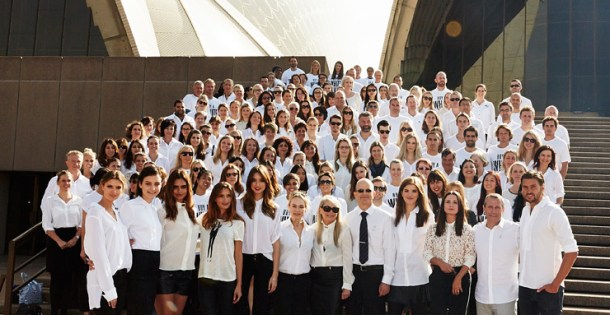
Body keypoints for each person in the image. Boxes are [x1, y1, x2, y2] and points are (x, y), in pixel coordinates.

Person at [518, 171, 578, 314]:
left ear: (542, 187)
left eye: (533, 187)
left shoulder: (554, 212)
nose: (529, 191)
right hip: (525, 287)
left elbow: (572, 251)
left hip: (548, 288)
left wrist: (555, 284)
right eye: (525, 187)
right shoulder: (525, 211)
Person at [344, 178, 395, 315]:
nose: (364, 193)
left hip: (376, 275)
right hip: (354, 274)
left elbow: (390, 250)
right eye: (360, 190)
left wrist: (386, 280)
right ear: (354, 194)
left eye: (368, 190)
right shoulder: (348, 218)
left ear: (374, 193)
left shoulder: (385, 218)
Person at [236, 166, 281, 315]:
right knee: (240, 303)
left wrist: (274, 274)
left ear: (267, 183)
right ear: (249, 182)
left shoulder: (274, 208)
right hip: (243, 258)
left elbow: (276, 242)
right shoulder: (239, 204)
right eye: (254, 180)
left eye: (261, 180)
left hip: (265, 260)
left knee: (261, 304)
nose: (257, 184)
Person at [84, 171, 132, 313]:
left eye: (118, 187)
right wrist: (109, 290)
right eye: (110, 186)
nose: (114, 191)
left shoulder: (116, 213)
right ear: (102, 186)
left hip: (121, 276)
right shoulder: (95, 213)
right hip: (104, 280)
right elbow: (98, 253)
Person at [118, 166, 163, 315]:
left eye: (156, 183)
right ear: (140, 184)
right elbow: (118, 233)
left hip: (156, 260)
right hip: (138, 261)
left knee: (150, 305)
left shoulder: (160, 206)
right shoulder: (130, 206)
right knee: (139, 306)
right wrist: (125, 241)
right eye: (148, 183)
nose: (153, 188)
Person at [424, 191, 476, 315]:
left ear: (460, 206)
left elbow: (470, 256)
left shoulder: (467, 229)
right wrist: (440, 263)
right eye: (448, 202)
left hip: (461, 275)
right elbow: (426, 252)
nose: (451, 205)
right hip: (438, 276)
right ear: (443, 206)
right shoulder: (433, 228)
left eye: (455, 202)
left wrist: (458, 278)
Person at [42, 170, 86, 315]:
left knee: (70, 278)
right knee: (56, 278)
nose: (66, 184)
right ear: (57, 183)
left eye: (69, 181)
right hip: (56, 240)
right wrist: (59, 241)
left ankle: (65, 310)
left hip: (73, 240)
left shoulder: (79, 201)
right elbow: (47, 225)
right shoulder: (50, 200)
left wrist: (75, 239)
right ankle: (54, 310)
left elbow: (81, 224)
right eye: (63, 181)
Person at [156, 170, 199, 315]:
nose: (179, 191)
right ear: (169, 188)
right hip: (166, 270)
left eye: (183, 186)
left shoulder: (192, 210)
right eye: (175, 187)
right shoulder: (162, 211)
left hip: (187, 270)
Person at [389, 177, 434, 315]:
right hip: (396, 278)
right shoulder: (393, 215)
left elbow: (432, 245)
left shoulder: (427, 216)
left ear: (420, 193)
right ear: (401, 193)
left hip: (420, 277)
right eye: (406, 190)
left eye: (414, 191)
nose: (410, 194)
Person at [198, 182, 244, 315]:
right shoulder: (204, 219)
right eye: (221, 196)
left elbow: (238, 254)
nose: (225, 200)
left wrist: (239, 284)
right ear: (214, 199)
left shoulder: (238, 223)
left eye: (228, 196)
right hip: (206, 276)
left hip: (227, 278)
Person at [473, 194, 519, 315]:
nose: (493, 211)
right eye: (490, 207)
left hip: (507, 297)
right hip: (482, 296)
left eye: (497, 207)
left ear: (503, 209)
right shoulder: (476, 230)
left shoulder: (515, 230)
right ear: (484, 208)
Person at [310, 195, 354, 314]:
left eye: (335, 209)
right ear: (320, 209)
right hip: (315, 278)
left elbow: (348, 259)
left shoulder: (344, 229)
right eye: (327, 208)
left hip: (335, 279)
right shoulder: (311, 230)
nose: (331, 212)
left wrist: (347, 285)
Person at [275, 192, 315, 315]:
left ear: (306, 209)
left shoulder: (312, 231)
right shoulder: (279, 228)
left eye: (301, 206)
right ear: (288, 207)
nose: (297, 210)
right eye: (294, 206)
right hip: (283, 280)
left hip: (304, 281)